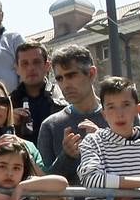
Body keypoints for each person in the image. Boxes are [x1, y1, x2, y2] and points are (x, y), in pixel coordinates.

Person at [38, 45, 107, 185]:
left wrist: (104, 140)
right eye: (59, 78)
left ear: (91, 73)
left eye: (71, 75)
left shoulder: (123, 115)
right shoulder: (50, 126)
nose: (65, 84)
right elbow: (45, 185)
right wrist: (67, 156)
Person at [12, 43, 65, 145]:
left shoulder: (63, 96)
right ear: (17, 68)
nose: (31, 68)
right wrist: (10, 123)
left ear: (47, 66)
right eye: (25, 63)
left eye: (36, 62)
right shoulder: (7, 104)